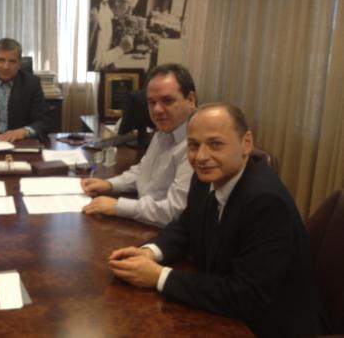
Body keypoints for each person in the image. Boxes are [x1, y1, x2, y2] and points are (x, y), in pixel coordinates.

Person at [108, 103, 326, 337]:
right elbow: (186, 226)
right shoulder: (205, 177)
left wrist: (159, 276)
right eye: (193, 145)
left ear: (246, 143)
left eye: (216, 144)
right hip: (228, 311)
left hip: (270, 327)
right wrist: (150, 253)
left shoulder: (266, 202)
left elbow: (246, 295)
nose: (201, 157)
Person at [81, 63, 196, 227]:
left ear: (190, 100)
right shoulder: (164, 131)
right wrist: (110, 185)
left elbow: (176, 211)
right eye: (151, 102)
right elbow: (144, 172)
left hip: (165, 230)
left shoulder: (197, 145)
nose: (157, 110)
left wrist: (118, 206)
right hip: (145, 218)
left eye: (167, 100)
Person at [89, 0, 142, 70]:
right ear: (118, 1)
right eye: (129, 8)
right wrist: (121, 49)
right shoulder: (101, 20)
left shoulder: (103, 13)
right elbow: (94, 64)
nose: (130, 14)